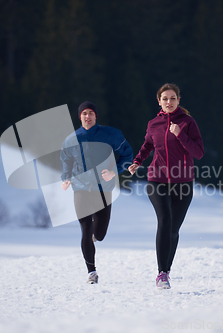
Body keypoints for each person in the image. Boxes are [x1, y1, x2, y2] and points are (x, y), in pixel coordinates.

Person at [128, 83, 204, 289]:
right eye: (165, 98)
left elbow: (198, 152)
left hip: (183, 182)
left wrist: (180, 134)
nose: (169, 102)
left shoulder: (187, 122)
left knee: (173, 230)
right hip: (157, 179)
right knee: (164, 220)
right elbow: (148, 145)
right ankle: (161, 274)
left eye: (172, 98)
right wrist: (137, 161)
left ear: (179, 100)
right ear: (159, 101)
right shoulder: (154, 123)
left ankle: (167, 270)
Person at [61, 101, 133, 284]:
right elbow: (66, 159)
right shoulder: (72, 139)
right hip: (81, 189)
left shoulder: (111, 134)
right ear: (80, 116)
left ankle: (95, 236)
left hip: (103, 189)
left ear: (96, 116)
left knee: (99, 234)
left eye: (91, 113)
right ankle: (91, 272)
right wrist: (66, 177)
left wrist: (113, 171)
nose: (87, 116)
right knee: (85, 229)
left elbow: (127, 154)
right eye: (84, 113)